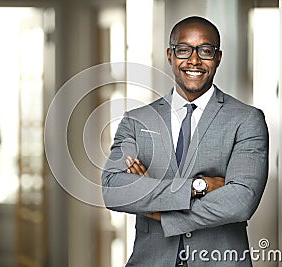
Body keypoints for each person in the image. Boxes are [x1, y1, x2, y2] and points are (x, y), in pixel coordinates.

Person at [102, 16, 269, 266]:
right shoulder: (137, 121)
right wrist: (197, 186)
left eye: (205, 50)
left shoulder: (246, 119)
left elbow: (241, 201)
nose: (194, 60)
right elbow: (114, 189)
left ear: (218, 58)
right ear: (170, 55)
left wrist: (157, 210)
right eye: (183, 50)